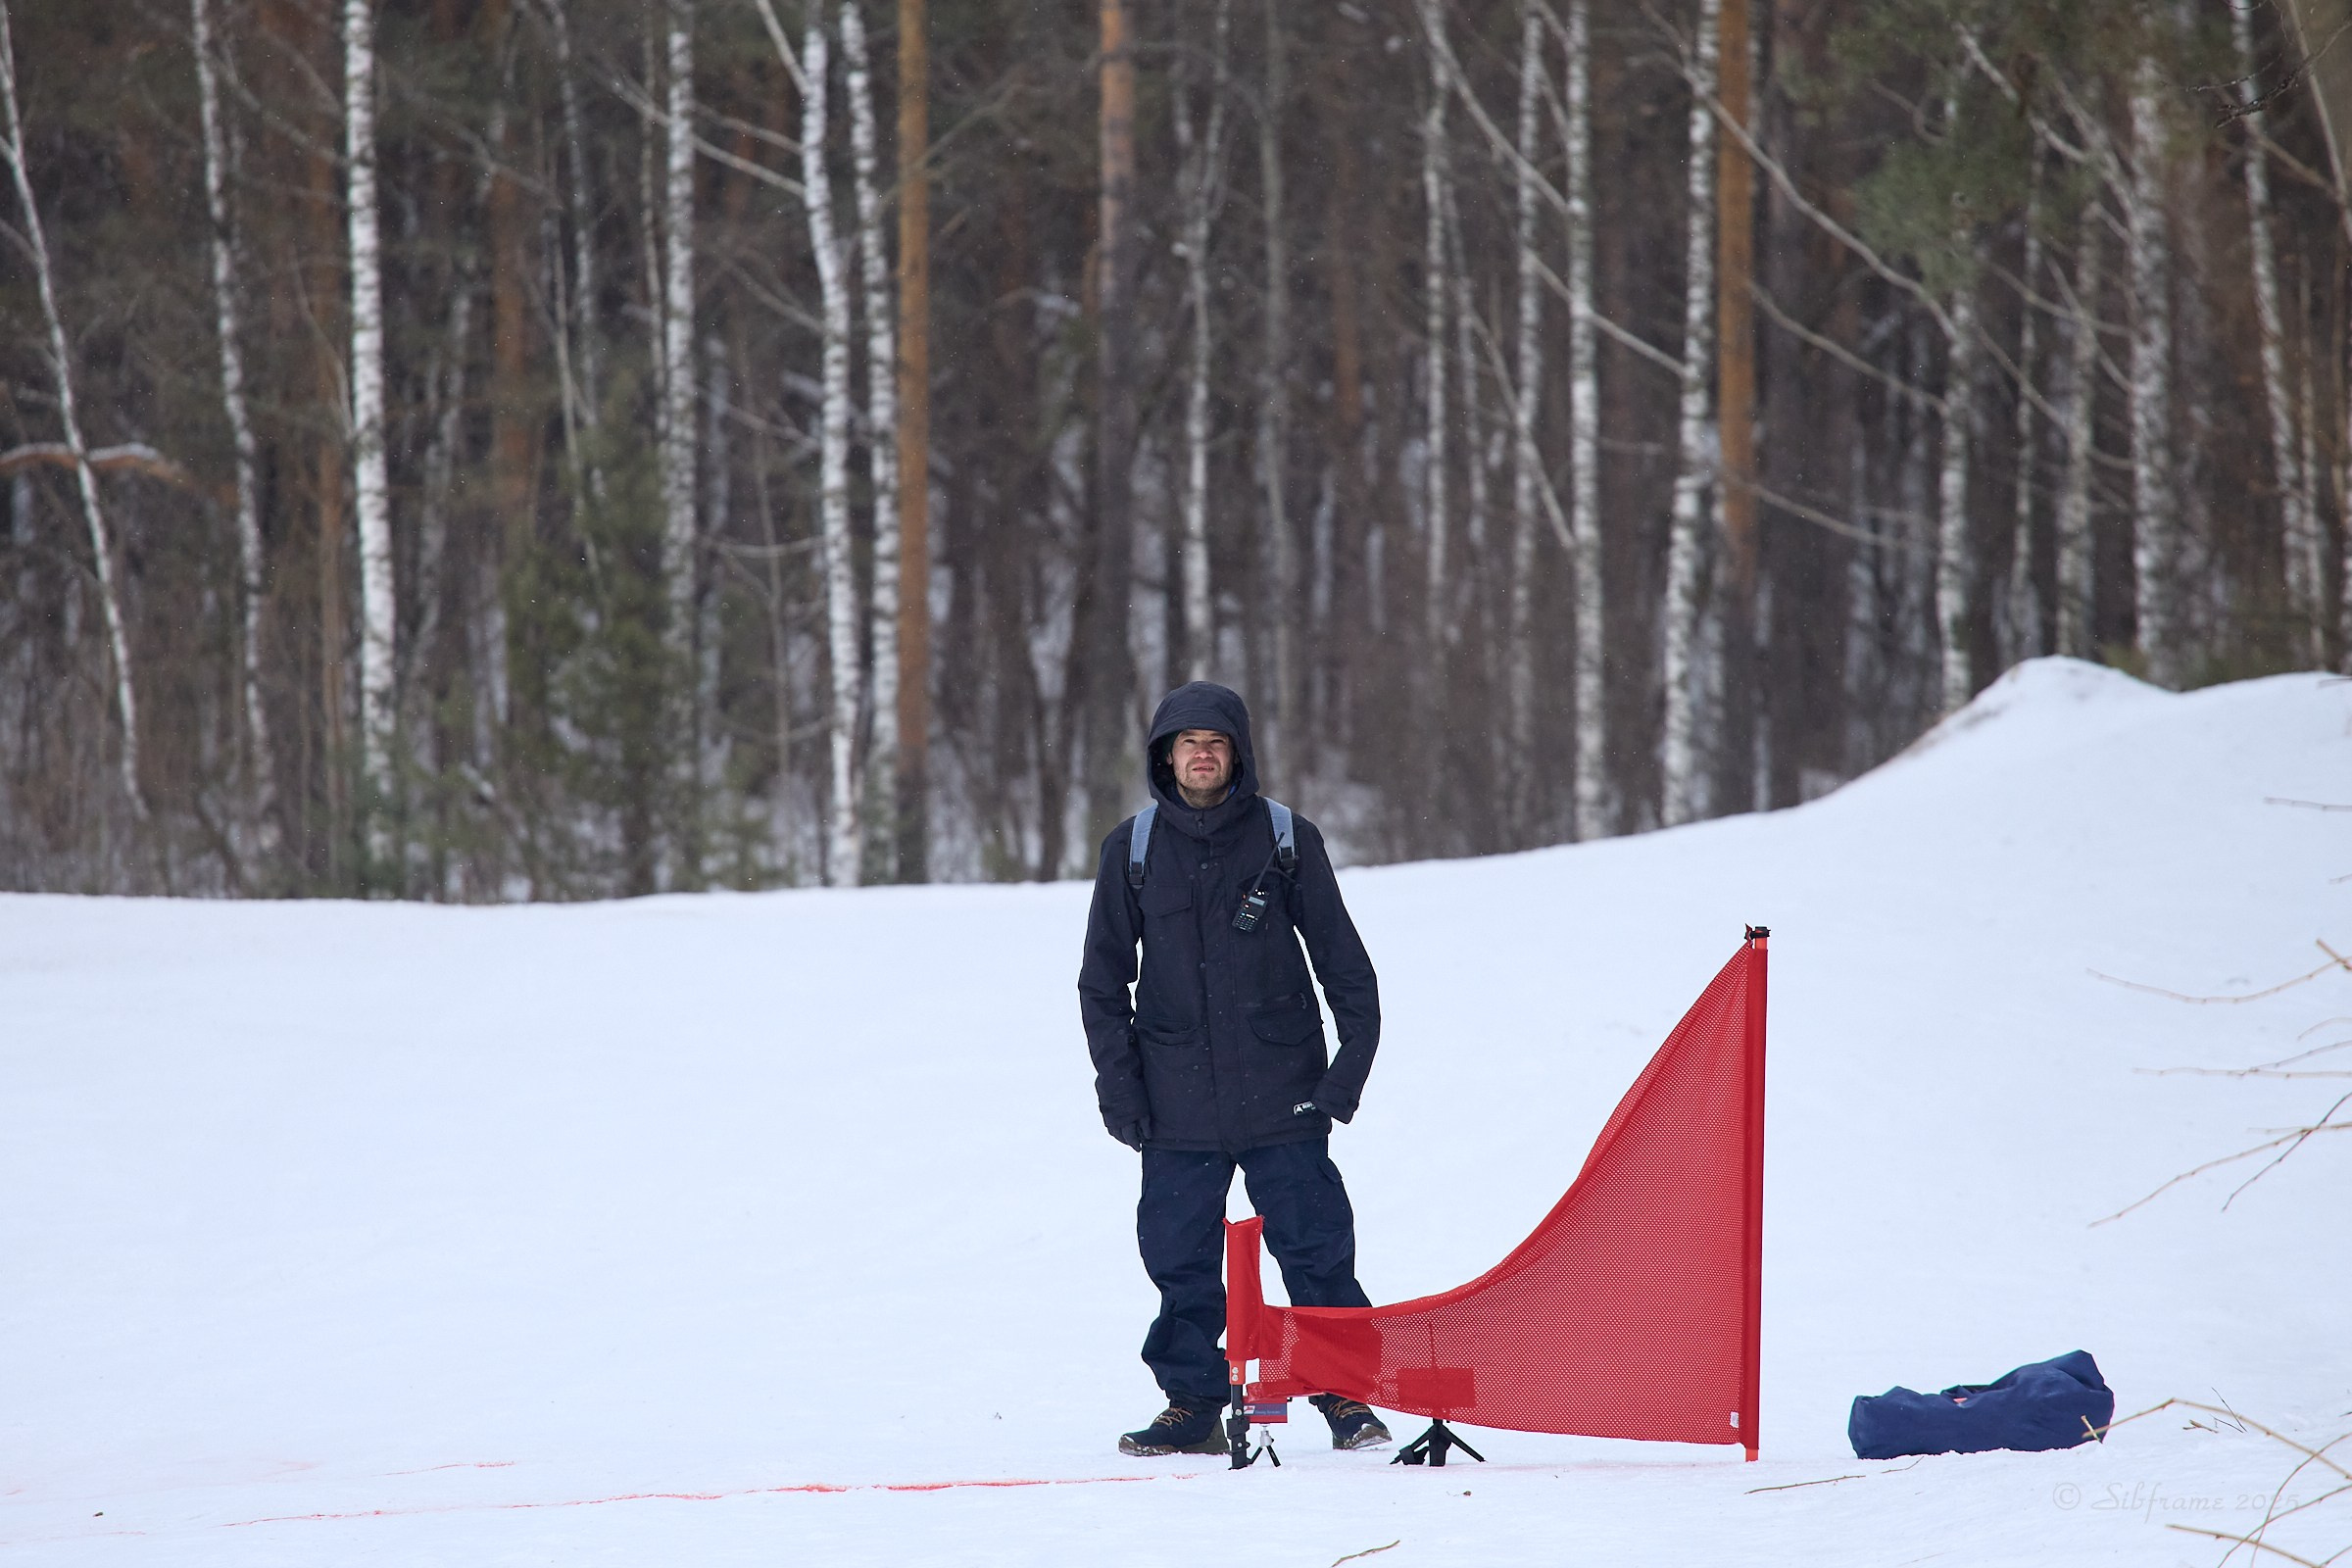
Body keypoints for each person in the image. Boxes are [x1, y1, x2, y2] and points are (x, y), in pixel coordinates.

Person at [1078, 681, 1392, 1456]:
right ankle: (1192, 1406)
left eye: (1215, 742)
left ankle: (1346, 1398)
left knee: (1317, 1252)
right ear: (1165, 756)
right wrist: (1120, 1089)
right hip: (1174, 1105)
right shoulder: (1132, 849)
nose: (1202, 755)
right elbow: (1101, 984)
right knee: (1179, 1260)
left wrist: (1341, 1082)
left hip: (1284, 1096)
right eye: (1187, 743)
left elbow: (1347, 969)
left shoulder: (1287, 839)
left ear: (1238, 753)